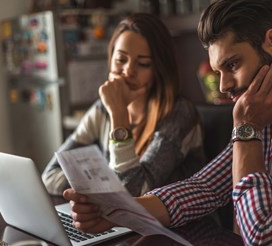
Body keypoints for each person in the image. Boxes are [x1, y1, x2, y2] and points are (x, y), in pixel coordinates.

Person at [63, 0, 272, 245]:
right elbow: (204, 188)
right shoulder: (267, 109)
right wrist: (114, 212)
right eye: (219, 72)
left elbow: (261, 237)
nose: (224, 85)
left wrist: (246, 131)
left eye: (232, 65)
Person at [42, 13, 206, 197]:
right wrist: (105, 186)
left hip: (179, 225)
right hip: (121, 222)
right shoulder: (102, 109)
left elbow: (134, 191)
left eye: (143, 64)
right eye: (121, 60)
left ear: (159, 69)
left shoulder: (179, 114)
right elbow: (49, 176)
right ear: (111, 60)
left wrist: (118, 113)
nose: (128, 71)